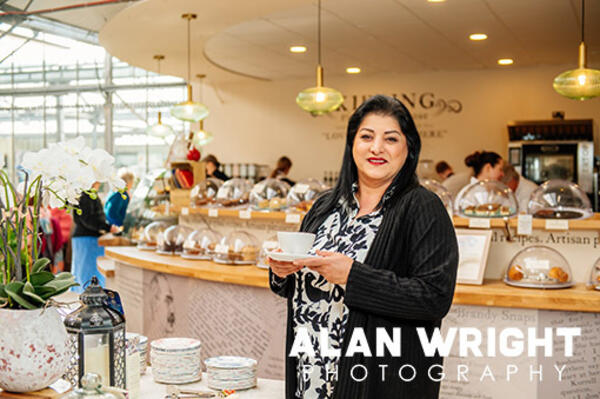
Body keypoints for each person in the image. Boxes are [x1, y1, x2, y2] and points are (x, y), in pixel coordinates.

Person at [269, 95, 458, 398]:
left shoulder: (423, 207)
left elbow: (434, 297)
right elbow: (302, 285)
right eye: (366, 136)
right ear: (352, 144)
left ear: (408, 148)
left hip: (380, 382)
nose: (376, 148)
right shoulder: (325, 206)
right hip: (311, 374)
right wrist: (283, 272)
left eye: (391, 139)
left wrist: (352, 277)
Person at [71, 182, 119, 292]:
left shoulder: (86, 193)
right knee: (87, 276)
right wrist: (107, 227)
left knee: (84, 274)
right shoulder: (87, 194)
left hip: (87, 239)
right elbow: (87, 219)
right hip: (87, 240)